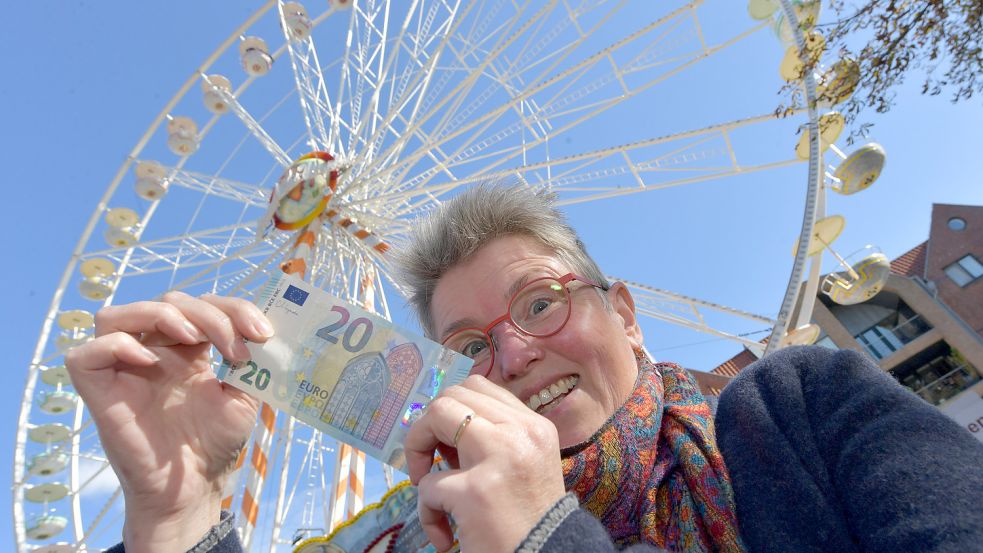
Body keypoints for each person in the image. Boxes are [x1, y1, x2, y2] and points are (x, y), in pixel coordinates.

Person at [66, 185, 983, 553]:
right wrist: (178, 511)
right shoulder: (419, 531)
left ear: (620, 310)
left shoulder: (800, 409)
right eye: (467, 346)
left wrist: (545, 535)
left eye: (541, 303)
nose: (510, 353)